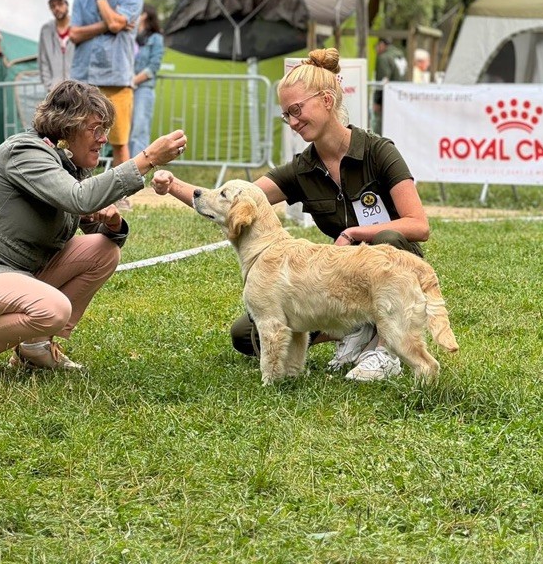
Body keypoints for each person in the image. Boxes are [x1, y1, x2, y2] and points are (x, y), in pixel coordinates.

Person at [152, 47, 430, 382]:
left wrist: (357, 234)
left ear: (327, 100)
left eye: (297, 110)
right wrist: (172, 184)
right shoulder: (301, 169)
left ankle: (385, 351)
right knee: (246, 334)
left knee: (387, 238)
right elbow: (236, 202)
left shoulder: (378, 151)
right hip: (339, 281)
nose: (293, 122)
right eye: (287, 115)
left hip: (392, 275)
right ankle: (357, 329)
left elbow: (418, 225)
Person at [0, 80, 189, 379]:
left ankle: (34, 347)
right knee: (52, 309)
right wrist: (148, 159)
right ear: (66, 127)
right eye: (95, 129)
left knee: (103, 251)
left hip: (9, 272)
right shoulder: (26, 151)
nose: (103, 139)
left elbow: (80, 208)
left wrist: (109, 224)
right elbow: (79, 198)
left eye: (105, 129)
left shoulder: (67, 162)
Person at [70, 0, 143, 211]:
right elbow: (74, 34)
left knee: (119, 140)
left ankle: (121, 195)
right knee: (78, 136)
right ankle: (77, 190)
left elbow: (115, 25)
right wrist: (109, 24)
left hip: (117, 80)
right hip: (84, 79)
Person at [129, 5, 165, 157]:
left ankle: (138, 171)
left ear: (143, 15)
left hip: (143, 89)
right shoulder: (129, 36)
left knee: (139, 130)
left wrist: (133, 81)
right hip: (126, 89)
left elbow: (153, 67)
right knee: (126, 131)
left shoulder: (156, 38)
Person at [37, 0, 74, 90]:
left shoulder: (78, 26)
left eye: (60, 4)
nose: (57, 8)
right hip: (55, 89)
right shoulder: (46, 30)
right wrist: (49, 85)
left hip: (78, 88)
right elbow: (43, 59)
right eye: (53, 6)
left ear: (67, 5)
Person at [372, 36, 407, 133]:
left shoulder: (384, 57)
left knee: (380, 127)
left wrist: (377, 101)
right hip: (400, 96)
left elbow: (382, 81)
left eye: (377, 46)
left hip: (386, 99)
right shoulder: (400, 55)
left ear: (382, 45)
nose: (376, 50)